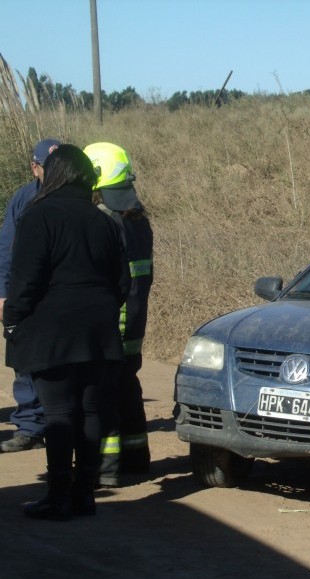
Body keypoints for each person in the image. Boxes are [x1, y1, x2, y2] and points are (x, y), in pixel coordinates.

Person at [2, 144, 130, 520]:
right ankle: (84, 495)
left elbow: (25, 278)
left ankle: (57, 496)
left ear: (52, 173)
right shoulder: (104, 221)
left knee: (58, 412)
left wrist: (13, 320)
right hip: (98, 331)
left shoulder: (38, 216)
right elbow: (122, 283)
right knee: (90, 410)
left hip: (51, 332)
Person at [84, 142, 153, 486]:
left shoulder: (110, 221)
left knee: (105, 391)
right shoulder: (137, 217)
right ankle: (137, 457)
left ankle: (107, 468)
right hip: (136, 320)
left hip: (118, 321)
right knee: (128, 385)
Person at [0, 138, 60, 453]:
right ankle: (30, 427)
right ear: (33, 167)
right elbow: (6, 250)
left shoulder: (76, 199)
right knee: (24, 362)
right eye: (45, 168)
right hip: (26, 294)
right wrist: (3, 294)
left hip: (61, 296)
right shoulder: (22, 200)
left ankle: (60, 427)